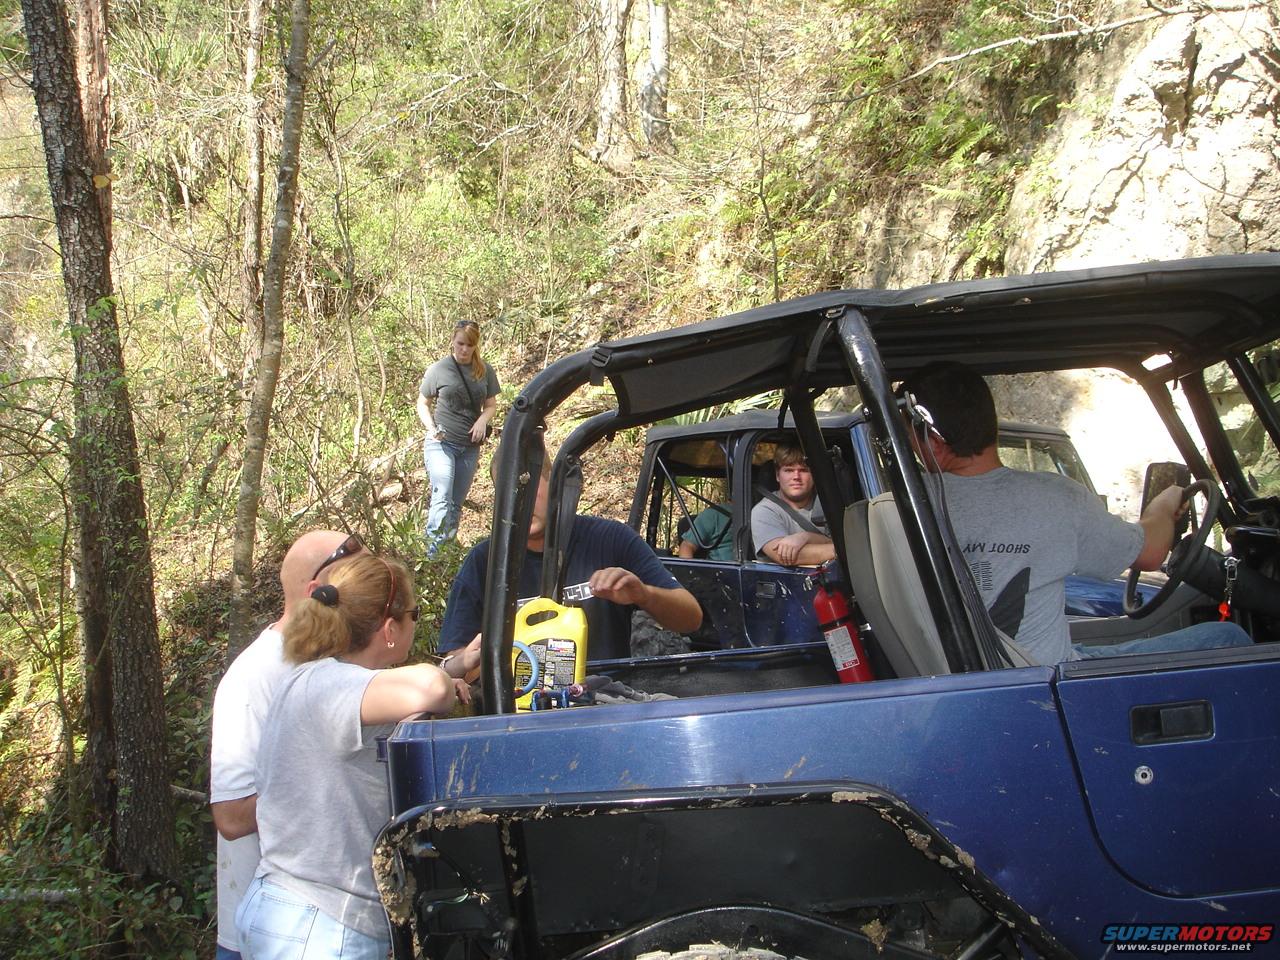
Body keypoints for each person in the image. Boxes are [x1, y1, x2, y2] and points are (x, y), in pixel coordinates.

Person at [210, 532, 475, 960]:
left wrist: (457, 670)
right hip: (317, 924)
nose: (415, 622)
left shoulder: (321, 679)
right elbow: (429, 686)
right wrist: (444, 679)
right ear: (390, 629)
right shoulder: (327, 684)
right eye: (413, 614)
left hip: (303, 917)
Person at [897, 361, 1252, 666]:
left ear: (934, 441)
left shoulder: (904, 505)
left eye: (908, 435)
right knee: (1226, 638)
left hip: (989, 673)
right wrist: (1164, 504)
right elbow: (1151, 553)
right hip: (1047, 680)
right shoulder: (1055, 498)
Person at [209, 529, 360, 960]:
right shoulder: (255, 675)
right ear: (317, 593)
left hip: (330, 921)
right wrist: (325, 779)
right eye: (356, 577)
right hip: (271, 934)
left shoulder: (336, 662)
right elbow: (231, 816)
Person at [438, 460, 703, 661]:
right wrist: (477, 659)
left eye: (529, 488)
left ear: (554, 484)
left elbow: (691, 618)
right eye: (509, 493)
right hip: (518, 706)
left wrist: (643, 594)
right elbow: (457, 661)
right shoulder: (485, 562)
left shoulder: (610, 539)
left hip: (605, 700)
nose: (521, 502)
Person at [417, 319, 501, 553]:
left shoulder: (484, 370)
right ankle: (432, 553)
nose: (464, 349)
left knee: (455, 503)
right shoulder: (439, 370)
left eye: (469, 345)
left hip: (469, 447)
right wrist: (431, 427)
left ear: (476, 345)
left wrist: (482, 421)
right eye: (460, 344)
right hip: (442, 444)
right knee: (442, 495)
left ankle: (447, 552)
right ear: (453, 341)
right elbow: (422, 403)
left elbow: (491, 405)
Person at [750, 443, 836, 567]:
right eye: (789, 470)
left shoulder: (830, 503)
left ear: (814, 475)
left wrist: (805, 537)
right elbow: (784, 556)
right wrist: (843, 551)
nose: (796, 477)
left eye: (804, 470)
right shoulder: (764, 511)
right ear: (777, 475)